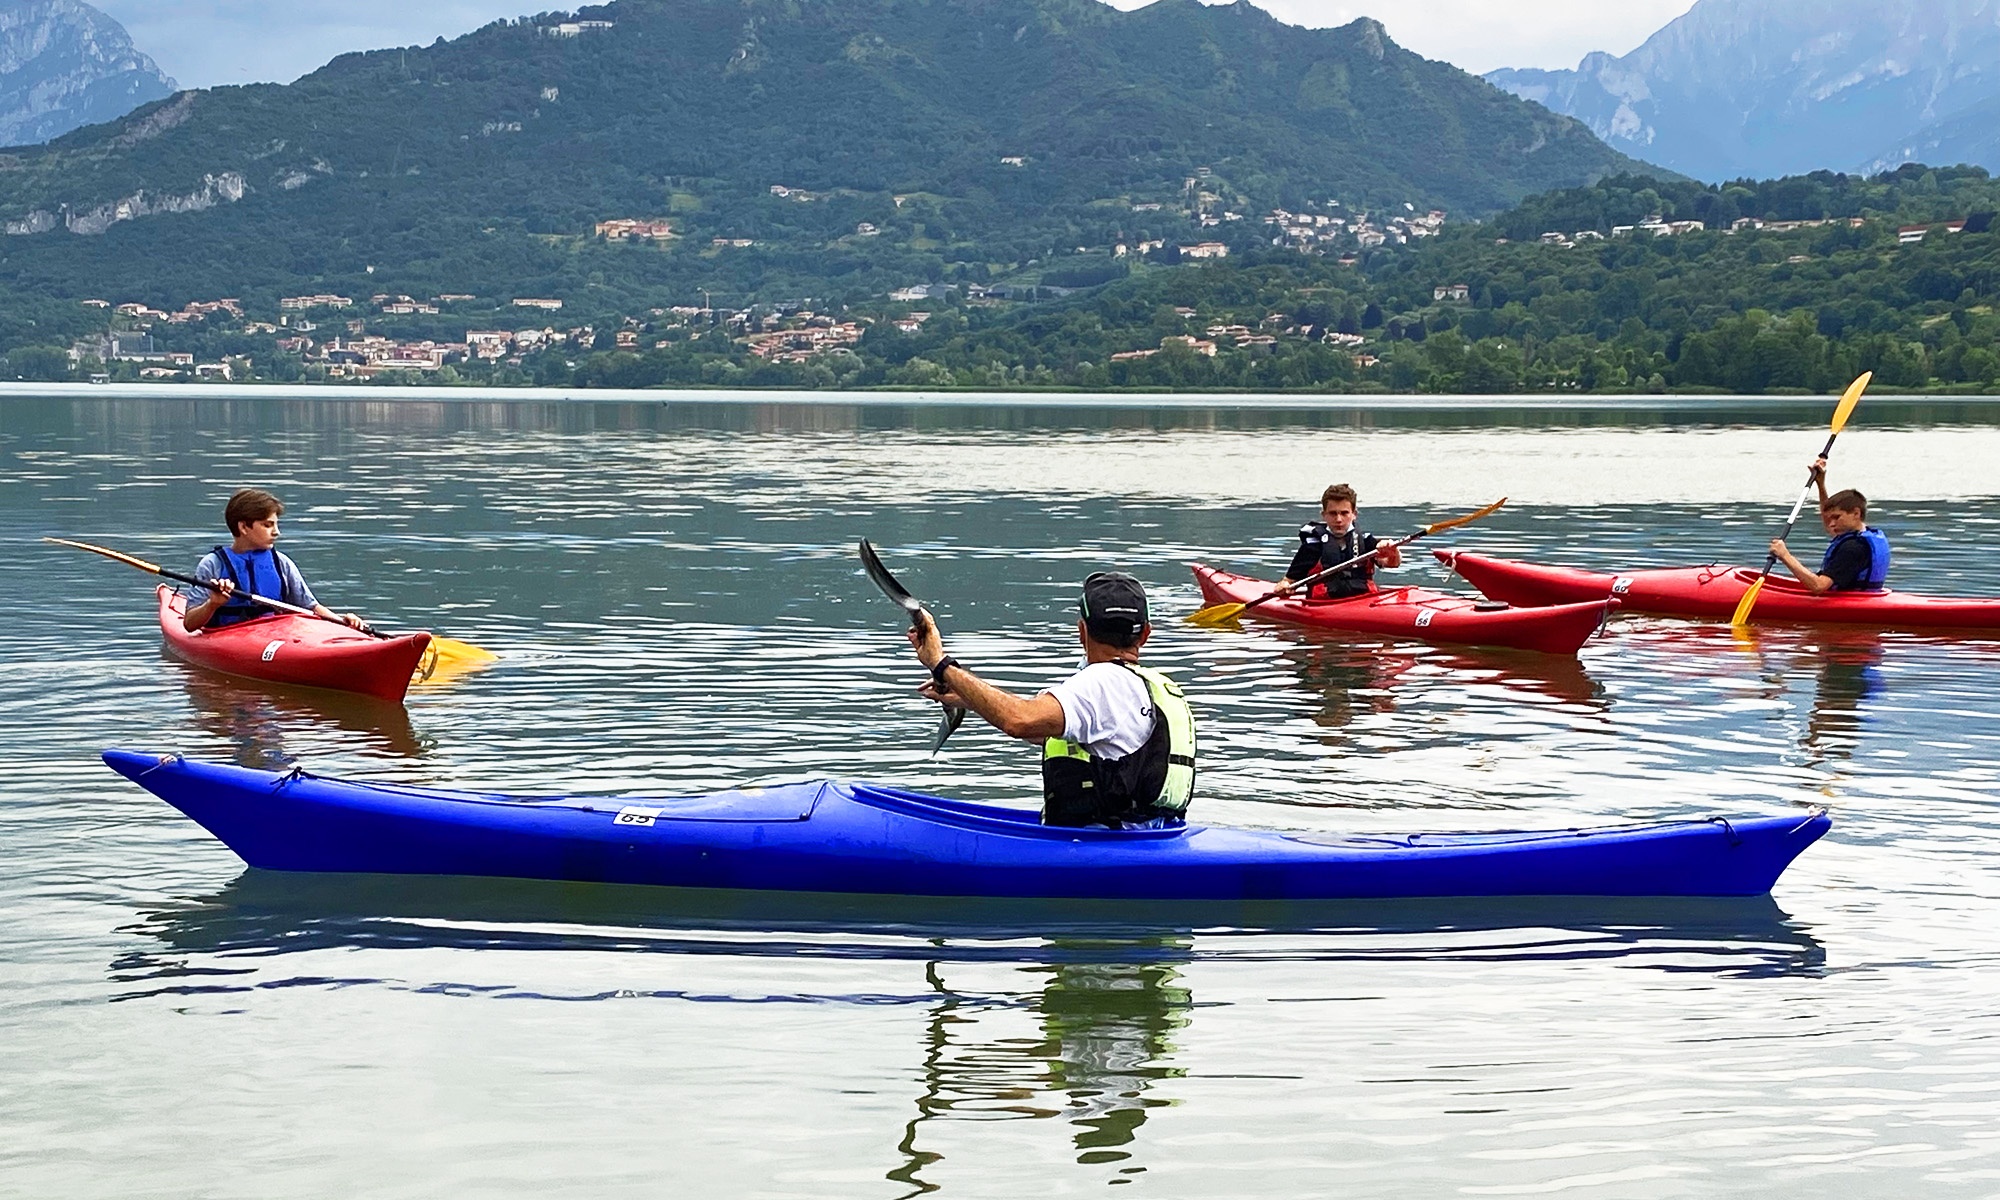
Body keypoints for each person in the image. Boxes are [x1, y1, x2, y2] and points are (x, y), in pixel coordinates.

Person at [906, 572, 1196, 829]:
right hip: (1155, 834)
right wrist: (968, 699)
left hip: (1102, 846)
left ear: (1082, 630)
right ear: (1145, 634)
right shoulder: (1151, 686)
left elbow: (1019, 720)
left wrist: (942, 664)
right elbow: (1044, 729)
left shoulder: (1101, 683)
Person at [183, 488, 367, 632]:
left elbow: (310, 606)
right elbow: (190, 624)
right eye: (267, 525)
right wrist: (213, 604)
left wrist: (342, 622)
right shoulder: (213, 565)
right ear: (244, 527)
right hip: (227, 635)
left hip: (275, 635)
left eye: (276, 525)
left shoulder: (282, 563)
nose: (276, 532)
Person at [1768, 456, 1891, 594]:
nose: (1831, 524)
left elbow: (1819, 586)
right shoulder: (1861, 534)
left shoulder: (1853, 549)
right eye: (1831, 518)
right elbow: (1829, 521)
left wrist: (1785, 556)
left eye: (1837, 517)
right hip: (1862, 599)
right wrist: (1820, 484)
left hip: (1850, 607)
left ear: (1856, 513)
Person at [1276, 483, 1402, 600]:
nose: (1338, 519)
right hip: (1325, 605)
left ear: (1354, 514)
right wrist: (1284, 586)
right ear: (1324, 515)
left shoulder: (1367, 541)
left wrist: (1392, 551)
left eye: (1344, 513)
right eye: (1333, 513)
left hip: (1365, 601)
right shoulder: (1312, 547)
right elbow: (1288, 581)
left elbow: (1392, 563)